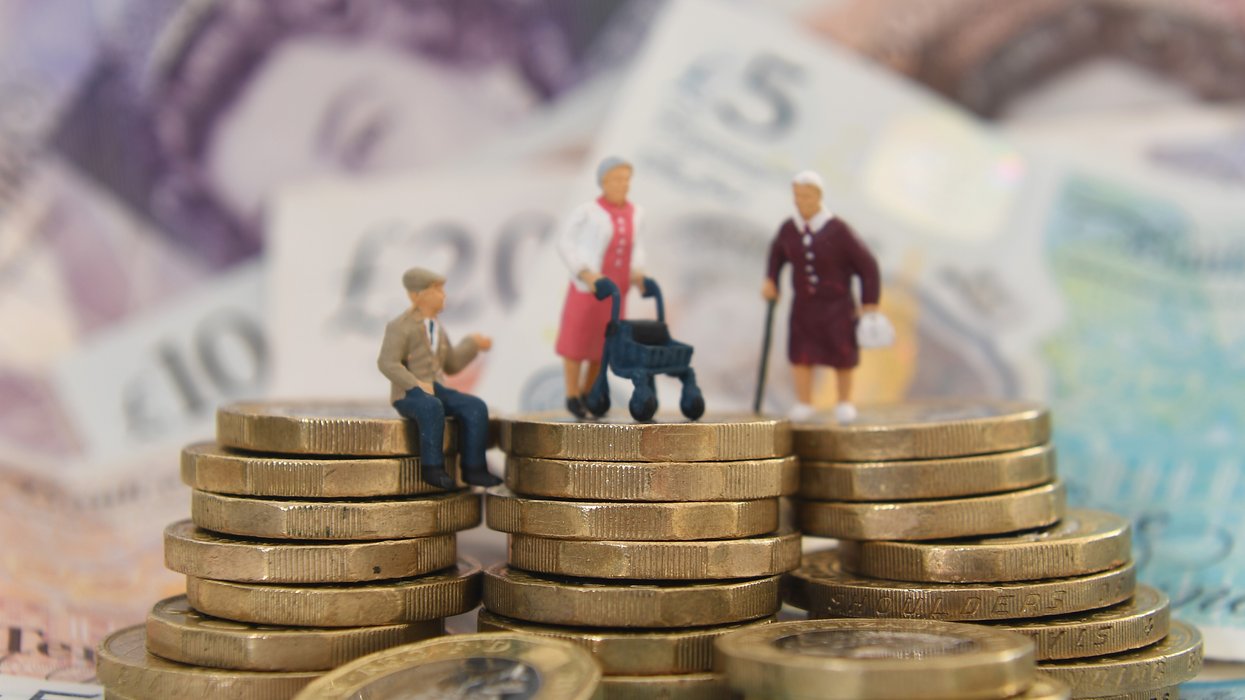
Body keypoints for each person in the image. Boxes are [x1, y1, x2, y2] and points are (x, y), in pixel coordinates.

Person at [762, 171, 885, 423]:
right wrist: (771, 280)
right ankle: (804, 402)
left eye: (805, 195)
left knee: (842, 354)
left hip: (836, 307)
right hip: (804, 306)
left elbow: (868, 266)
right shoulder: (789, 228)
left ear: (818, 196)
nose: (800, 200)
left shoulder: (839, 231)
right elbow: (777, 253)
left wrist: (869, 303)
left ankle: (844, 402)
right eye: (796, 195)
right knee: (800, 354)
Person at [378, 268, 501, 488]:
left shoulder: (436, 327)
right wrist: (414, 383)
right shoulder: (400, 327)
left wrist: (472, 344)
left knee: (475, 407)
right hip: (409, 393)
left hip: (437, 387)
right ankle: (433, 468)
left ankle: (474, 468)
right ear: (416, 295)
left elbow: (452, 364)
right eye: (436, 290)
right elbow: (387, 363)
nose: (443, 295)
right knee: (430, 407)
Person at [554, 156, 647, 418]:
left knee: (603, 343)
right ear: (603, 182)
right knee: (577, 341)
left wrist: (638, 270)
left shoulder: (637, 213)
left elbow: (636, 246)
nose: (623, 184)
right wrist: (584, 271)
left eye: (627, 179)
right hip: (590, 289)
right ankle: (572, 394)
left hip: (617, 292)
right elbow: (565, 241)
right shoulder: (588, 212)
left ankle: (589, 392)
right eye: (617, 179)